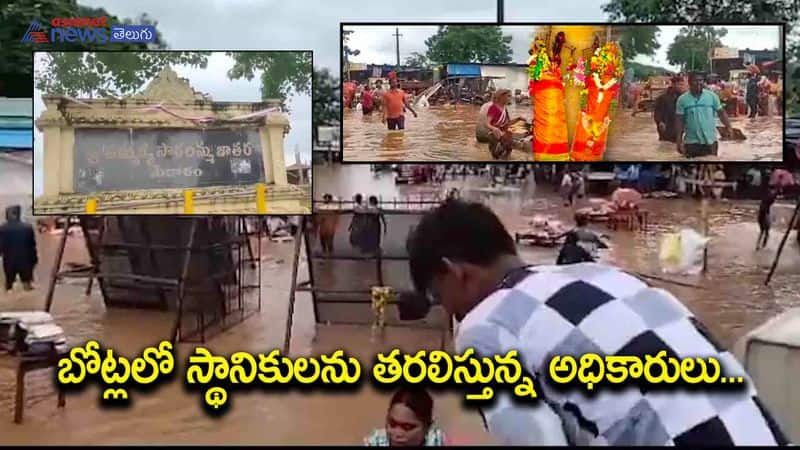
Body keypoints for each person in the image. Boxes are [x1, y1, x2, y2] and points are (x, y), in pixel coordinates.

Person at [405, 199, 788, 446]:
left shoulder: (484, 329)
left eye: (441, 298)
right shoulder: (610, 277)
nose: (450, 314)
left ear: (456, 273)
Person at [675, 72, 734, 158]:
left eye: (701, 80)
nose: (699, 83)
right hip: (691, 142)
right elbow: (679, 121)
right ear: (689, 82)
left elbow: (721, 113)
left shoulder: (712, 96)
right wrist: (679, 140)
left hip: (710, 141)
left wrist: (729, 127)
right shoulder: (682, 100)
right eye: (696, 80)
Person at [364, 387, 446, 446]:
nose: (397, 434)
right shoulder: (375, 442)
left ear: (427, 427)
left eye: (407, 427)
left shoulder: (440, 441)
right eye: (392, 424)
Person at [0, 205, 38, 292]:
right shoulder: (28, 227)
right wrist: (35, 259)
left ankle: (9, 301)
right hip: (25, 261)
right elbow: (32, 246)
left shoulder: (2, 228)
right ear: (18, 214)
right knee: (27, 285)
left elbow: (1, 246)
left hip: (9, 261)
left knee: (9, 285)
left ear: (8, 215)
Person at [653, 76, 686, 142]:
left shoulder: (684, 98)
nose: (681, 87)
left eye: (683, 84)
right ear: (673, 84)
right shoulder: (663, 98)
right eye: (679, 84)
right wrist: (660, 122)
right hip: (666, 128)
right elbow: (657, 111)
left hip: (679, 129)